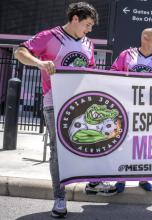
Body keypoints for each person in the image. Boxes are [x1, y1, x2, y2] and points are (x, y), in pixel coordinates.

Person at [14, 2, 99, 217]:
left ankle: (92, 183)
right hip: (54, 100)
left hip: (80, 103)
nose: (89, 30)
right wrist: (40, 63)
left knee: (90, 141)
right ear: (75, 19)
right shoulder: (49, 36)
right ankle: (59, 197)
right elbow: (20, 52)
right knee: (57, 149)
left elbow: (91, 73)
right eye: (87, 25)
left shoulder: (89, 44)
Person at [98, 28, 152, 194]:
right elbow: (112, 73)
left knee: (146, 146)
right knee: (124, 145)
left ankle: (143, 177)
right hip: (127, 110)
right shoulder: (126, 55)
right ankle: (121, 178)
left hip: (150, 114)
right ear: (145, 38)